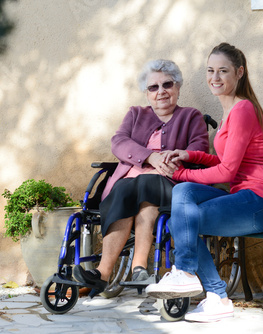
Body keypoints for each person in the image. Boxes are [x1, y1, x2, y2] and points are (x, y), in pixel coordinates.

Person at [145, 43, 263, 322]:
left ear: (239, 72)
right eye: (210, 71)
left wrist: (180, 172)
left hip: (261, 202)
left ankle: (193, 278)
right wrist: (188, 155)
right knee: (182, 202)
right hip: (243, 197)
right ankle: (210, 291)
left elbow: (227, 172)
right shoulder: (230, 111)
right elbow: (224, 160)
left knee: (182, 216)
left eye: (223, 71)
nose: (215, 77)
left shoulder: (243, 109)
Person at [73, 59, 209, 294]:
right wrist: (150, 158)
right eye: (153, 87)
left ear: (177, 87)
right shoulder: (135, 114)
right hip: (133, 185)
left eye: (167, 84)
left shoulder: (191, 116)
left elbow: (200, 146)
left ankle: (138, 266)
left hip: (170, 183)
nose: (161, 92)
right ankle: (104, 273)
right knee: (128, 189)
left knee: (145, 184)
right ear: (146, 94)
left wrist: (175, 158)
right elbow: (119, 142)